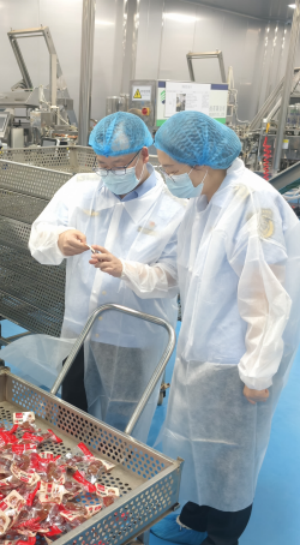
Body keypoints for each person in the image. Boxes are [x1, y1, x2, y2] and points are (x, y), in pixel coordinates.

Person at [91, 111, 300, 545]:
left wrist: (257, 372)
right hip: (201, 344)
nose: (166, 177)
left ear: (201, 164)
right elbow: (177, 274)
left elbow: (267, 298)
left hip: (235, 357)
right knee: (192, 438)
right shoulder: (204, 201)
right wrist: (127, 269)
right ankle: (194, 516)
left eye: (170, 168)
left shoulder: (251, 203)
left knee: (229, 452)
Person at [28, 112, 185, 443]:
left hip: (132, 337)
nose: (110, 174)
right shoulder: (80, 189)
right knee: (71, 417)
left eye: (119, 166)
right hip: (80, 329)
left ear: (144, 155)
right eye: (103, 165)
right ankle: (73, 471)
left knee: (121, 427)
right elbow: (39, 235)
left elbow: (174, 278)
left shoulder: (173, 206)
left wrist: (126, 270)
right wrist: (59, 240)